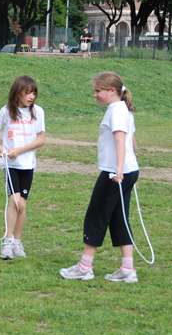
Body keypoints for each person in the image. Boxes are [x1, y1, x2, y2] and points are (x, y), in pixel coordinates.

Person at [59, 71, 140, 283]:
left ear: (112, 91)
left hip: (115, 173)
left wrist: (120, 169)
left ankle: (85, 267)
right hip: (127, 171)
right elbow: (131, 141)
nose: (95, 95)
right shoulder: (121, 109)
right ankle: (127, 269)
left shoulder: (116, 111)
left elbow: (121, 140)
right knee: (119, 218)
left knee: (96, 215)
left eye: (98, 91)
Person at [0, 76, 45, 259]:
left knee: (22, 205)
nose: (31, 96)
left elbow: (41, 140)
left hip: (27, 164)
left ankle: (17, 242)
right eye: (27, 92)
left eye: (34, 93)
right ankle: (7, 242)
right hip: (10, 164)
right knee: (14, 201)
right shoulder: (6, 112)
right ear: (17, 93)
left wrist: (20, 150)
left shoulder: (38, 112)